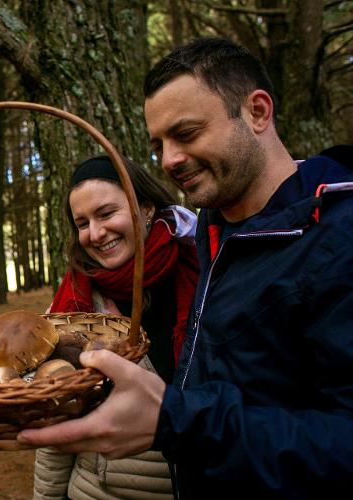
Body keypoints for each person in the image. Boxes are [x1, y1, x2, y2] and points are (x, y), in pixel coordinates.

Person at [18, 37, 353, 499]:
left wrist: (177, 421)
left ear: (257, 112)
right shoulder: (213, 234)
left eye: (187, 133)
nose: (169, 160)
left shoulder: (338, 238)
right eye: (158, 144)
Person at [33, 154, 199, 499]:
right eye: (82, 223)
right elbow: (56, 421)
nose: (95, 233)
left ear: (147, 208)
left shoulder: (203, 278)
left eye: (107, 213)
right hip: (93, 491)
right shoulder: (72, 307)